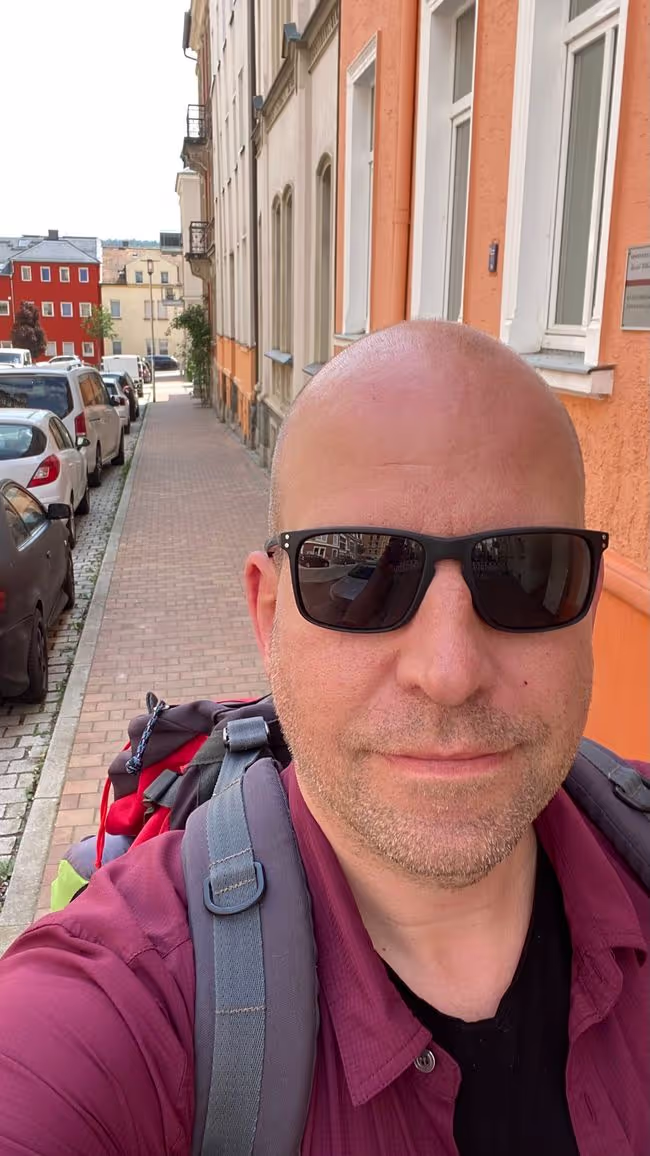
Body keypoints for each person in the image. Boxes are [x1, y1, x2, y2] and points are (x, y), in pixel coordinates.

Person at [0, 321, 647, 1155]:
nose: (449, 672)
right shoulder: (132, 990)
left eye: (526, 573)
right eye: (359, 575)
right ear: (268, 615)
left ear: (587, 610)